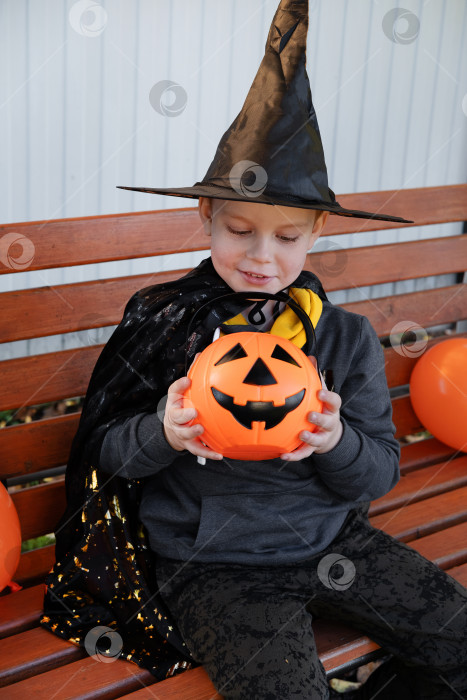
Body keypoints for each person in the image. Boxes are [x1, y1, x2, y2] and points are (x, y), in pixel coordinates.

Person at [40, 1, 467, 698]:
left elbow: (376, 475)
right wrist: (165, 433)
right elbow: (106, 454)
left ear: (319, 231)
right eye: (239, 229)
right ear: (204, 217)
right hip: (214, 566)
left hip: (332, 544)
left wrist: (334, 439)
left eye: (287, 237)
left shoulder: (341, 337)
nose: (262, 257)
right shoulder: (168, 321)